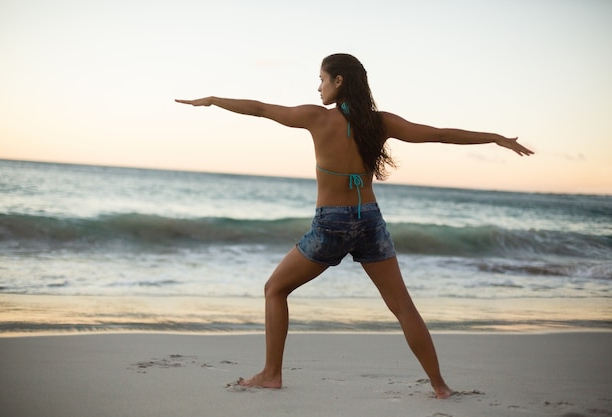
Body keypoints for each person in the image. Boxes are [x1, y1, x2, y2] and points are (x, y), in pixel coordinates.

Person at [175, 53, 533, 399]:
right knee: (403, 307)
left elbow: (262, 109)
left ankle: (272, 374)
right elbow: (438, 134)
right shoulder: (380, 122)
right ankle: (440, 386)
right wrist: (495, 137)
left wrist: (212, 100)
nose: (319, 88)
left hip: (331, 223)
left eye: (322, 79)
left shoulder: (317, 118)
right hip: (370, 221)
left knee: (274, 289)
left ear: (339, 81)